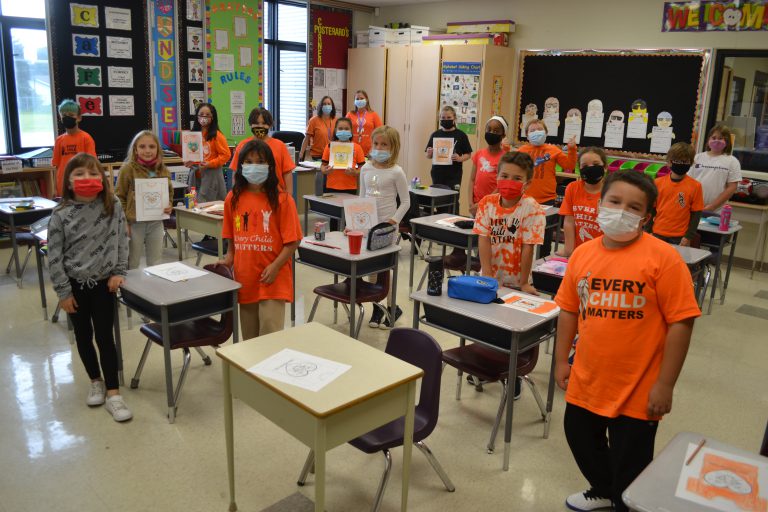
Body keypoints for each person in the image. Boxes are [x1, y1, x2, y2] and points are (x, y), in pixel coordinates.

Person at [554, 170, 700, 512]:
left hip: (638, 385)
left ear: (647, 218)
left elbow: (682, 322)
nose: (621, 211)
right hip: (588, 376)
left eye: (633, 207)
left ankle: (625, 502)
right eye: (614, 201)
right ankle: (606, 490)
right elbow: (569, 312)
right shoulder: (583, 254)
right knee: (579, 436)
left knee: (629, 460)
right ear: (600, 202)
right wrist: (562, 360)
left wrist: (665, 384)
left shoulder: (664, 259)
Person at [47, 153, 132, 422]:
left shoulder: (112, 205)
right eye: (79, 174)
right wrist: (63, 291)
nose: (88, 179)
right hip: (74, 286)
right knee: (83, 336)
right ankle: (95, 380)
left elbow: (121, 241)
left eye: (94, 173)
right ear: (68, 182)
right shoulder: (60, 214)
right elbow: (54, 256)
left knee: (105, 337)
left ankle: (114, 393)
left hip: (104, 284)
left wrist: (119, 272)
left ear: (103, 178)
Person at [221, 140, 302, 340]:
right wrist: (228, 258)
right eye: (248, 162)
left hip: (272, 277)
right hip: (245, 276)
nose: (254, 166)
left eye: (260, 161)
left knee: (269, 337)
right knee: (249, 339)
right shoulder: (233, 198)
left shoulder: (283, 200)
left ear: (270, 166)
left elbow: (293, 241)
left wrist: (275, 266)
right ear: (240, 166)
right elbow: (231, 235)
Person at [359, 125, 410, 328]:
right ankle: (377, 307)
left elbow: (406, 202)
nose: (379, 148)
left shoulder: (397, 172)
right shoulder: (365, 168)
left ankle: (389, 307)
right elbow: (362, 197)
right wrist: (356, 224)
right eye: (376, 143)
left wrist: (394, 221)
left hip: (387, 226)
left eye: (384, 144)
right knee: (371, 267)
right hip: (368, 225)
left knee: (384, 268)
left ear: (393, 147)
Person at [474, 151, 545, 296]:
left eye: (517, 178)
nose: (509, 182)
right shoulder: (487, 203)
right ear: (497, 176)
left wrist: (524, 283)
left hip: (517, 282)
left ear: (528, 183)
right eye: (504, 176)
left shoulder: (533, 209)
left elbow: (528, 247)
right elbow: (484, 239)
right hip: (489, 277)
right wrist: (487, 274)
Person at [518, 119, 577, 257]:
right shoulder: (522, 151)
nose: (536, 132)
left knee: (544, 238)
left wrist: (572, 149)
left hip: (547, 200)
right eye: (532, 130)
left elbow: (569, 165)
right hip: (525, 200)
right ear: (526, 135)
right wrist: (506, 150)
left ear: (546, 132)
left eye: (539, 129)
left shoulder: (553, 150)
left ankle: (542, 267)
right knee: (522, 235)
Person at [116, 130, 174, 269]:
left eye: (152, 147)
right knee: (132, 262)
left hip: (156, 221)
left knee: (156, 262)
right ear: (135, 149)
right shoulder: (128, 169)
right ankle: (129, 291)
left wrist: (169, 205)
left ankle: (153, 289)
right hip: (134, 223)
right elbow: (119, 197)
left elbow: (169, 192)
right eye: (142, 147)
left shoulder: (163, 169)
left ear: (158, 149)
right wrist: (125, 222)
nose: (147, 151)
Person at [231, 107, 294, 195]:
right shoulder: (243, 145)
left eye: (264, 123)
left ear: (270, 125)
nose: (260, 126)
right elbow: (236, 171)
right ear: (250, 125)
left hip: (275, 195)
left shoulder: (280, 146)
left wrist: (288, 196)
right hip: (247, 195)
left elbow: (287, 173)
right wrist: (236, 194)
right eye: (256, 123)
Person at [650, 142, 703, 246]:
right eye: (678, 161)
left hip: (679, 237)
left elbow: (696, 215)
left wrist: (688, 236)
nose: (681, 164)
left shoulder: (696, 186)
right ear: (669, 162)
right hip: (657, 234)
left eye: (685, 161)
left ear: (691, 163)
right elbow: (651, 209)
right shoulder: (657, 183)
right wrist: (648, 231)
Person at [559, 147, 607, 257]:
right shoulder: (573, 188)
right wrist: (568, 250)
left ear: (605, 167)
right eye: (584, 166)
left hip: (602, 253)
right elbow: (569, 221)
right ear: (580, 170)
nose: (590, 168)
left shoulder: (611, 191)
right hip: (579, 251)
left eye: (595, 164)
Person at [425, 105, 473, 203]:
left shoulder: (461, 135)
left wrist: (460, 158)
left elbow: (468, 154)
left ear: (454, 118)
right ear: (439, 119)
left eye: (449, 118)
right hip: (437, 174)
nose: (445, 120)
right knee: (438, 200)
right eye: (443, 118)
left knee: (453, 201)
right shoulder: (435, 135)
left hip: (453, 175)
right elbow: (428, 155)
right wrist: (429, 153)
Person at [689, 124, 742, 213]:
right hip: (693, 207)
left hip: (717, 211)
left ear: (727, 141)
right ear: (708, 140)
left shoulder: (732, 161)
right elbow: (688, 181)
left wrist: (712, 207)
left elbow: (732, 187)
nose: (716, 141)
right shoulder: (697, 157)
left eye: (720, 138)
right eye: (713, 138)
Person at [185, 102, 231, 202]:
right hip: (195, 176)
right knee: (194, 204)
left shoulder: (217, 136)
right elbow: (190, 154)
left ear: (212, 117)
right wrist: (187, 161)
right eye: (201, 114)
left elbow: (226, 155)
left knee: (208, 205)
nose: (204, 117)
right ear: (197, 116)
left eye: (207, 115)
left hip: (212, 176)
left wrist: (210, 163)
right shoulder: (192, 135)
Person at [52, 99, 96, 197]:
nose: (67, 117)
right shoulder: (59, 140)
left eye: (71, 115)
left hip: (81, 184)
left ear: (79, 117)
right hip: (62, 186)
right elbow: (56, 166)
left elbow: (92, 164)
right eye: (64, 115)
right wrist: (54, 188)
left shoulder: (86, 138)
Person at [469, 116, 508, 216]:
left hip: (493, 205)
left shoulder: (505, 158)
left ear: (503, 135)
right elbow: (472, 180)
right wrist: (471, 203)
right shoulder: (479, 154)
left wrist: (483, 203)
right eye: (489, 129)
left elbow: (501, 185)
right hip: (475, 205)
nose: (491, 133)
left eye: (496, 131)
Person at [299, 96, 337, 162]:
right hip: (317, 156)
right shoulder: (313, 120)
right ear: (321, 106)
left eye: (329, 104)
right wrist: (301, 153)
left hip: (332, 155)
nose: (326, 106)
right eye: (324, 104)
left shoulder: (336, 120)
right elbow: (307, 138)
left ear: (332, 106)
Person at [346, 90, 382, 156]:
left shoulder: (373, 114)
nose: (359, 100)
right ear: (354, 102)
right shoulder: (350, 114)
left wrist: (374, 148)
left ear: (367, 100)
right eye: (357, 99)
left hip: (369, 151)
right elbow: (344, 130)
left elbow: (380, 133)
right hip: (352, 151)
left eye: (362, 98)